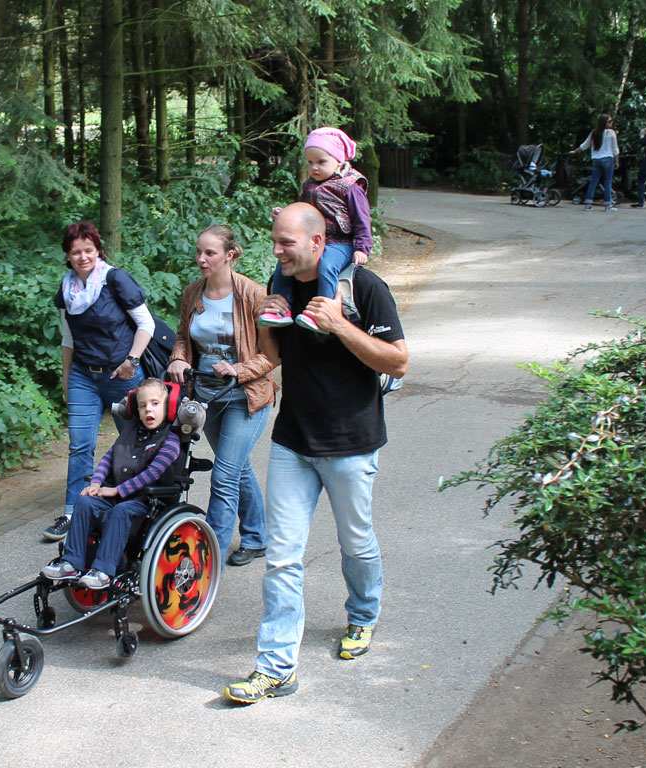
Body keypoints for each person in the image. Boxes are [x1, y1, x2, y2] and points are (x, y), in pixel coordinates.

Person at [223, 203, 408, 705]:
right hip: (293, 442)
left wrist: (341, 326)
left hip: (351, 442)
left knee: (356, 542)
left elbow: (399, 361)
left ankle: (364, 614)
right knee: (282, 559)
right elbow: (273, 357)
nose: (277, 250)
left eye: (286, 242)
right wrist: (261, 329)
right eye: (275, 241)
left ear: (317, 243)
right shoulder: (278, 287)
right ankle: (276, 667)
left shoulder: (363, 287)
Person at [166, 225, 278, 567]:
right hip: (206, 396)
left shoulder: (253, 295)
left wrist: (238, 370)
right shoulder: (192, 293)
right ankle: (257, 537)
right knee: (237, 468)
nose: (201, 259)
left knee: (225, 474)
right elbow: (183, 337)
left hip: (246, 396)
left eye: (210, 253)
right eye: (199, 252)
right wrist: (178, 358)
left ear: (229, 255)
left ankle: (206, 557)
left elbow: (272, 355)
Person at [44, 221, 154, 542]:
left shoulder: (114, 280)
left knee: (134, 443)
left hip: (122, 375)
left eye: (88, 250)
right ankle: (72, 513)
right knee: (80, 445)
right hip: (83, 375)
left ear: (97, 250)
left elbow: (145, 324)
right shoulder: (67, 290)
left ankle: (138, 504)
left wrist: (131, 361)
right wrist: (67, 380)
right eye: (76, 252)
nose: (83, 257)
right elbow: (68, 339)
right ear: (67, 255)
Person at [41, 378, 180, 589]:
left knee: (121, 511)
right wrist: (96, 483)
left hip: (148, 502)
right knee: (85, 501)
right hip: (117, 496)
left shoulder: (171, 439)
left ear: (167, 405)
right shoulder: (131, 432)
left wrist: (117, 489)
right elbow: (109, 458)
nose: (148, 410)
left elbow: (153, 473)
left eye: (154, 403)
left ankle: (104, 571)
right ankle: (72, 562)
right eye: (142, 406)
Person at [259, 126, 373, 335]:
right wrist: (286, 214)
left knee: (327, 266)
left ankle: (321, 313)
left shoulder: (350, 186)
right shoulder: (310, 185)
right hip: (315, 240)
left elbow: (362, 219)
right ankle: (281, 309)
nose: (315, 168)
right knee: (283, 267)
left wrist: (363, 248)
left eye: (321, 162)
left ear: (338, 160)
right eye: (310, 162)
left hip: (340, 242)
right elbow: (305, 213)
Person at [570, 113, 620, 212]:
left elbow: (585, 145)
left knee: (594, 181)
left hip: (596, 159)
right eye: (609, 121)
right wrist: (617, 161)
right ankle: (608, 204)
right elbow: (615, 149)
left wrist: (575, 151)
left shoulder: (594, 132)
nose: (611, 123)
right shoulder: (611, 133)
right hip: (608, 158)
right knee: (607, 182)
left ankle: (588, 203)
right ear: (605, 122)